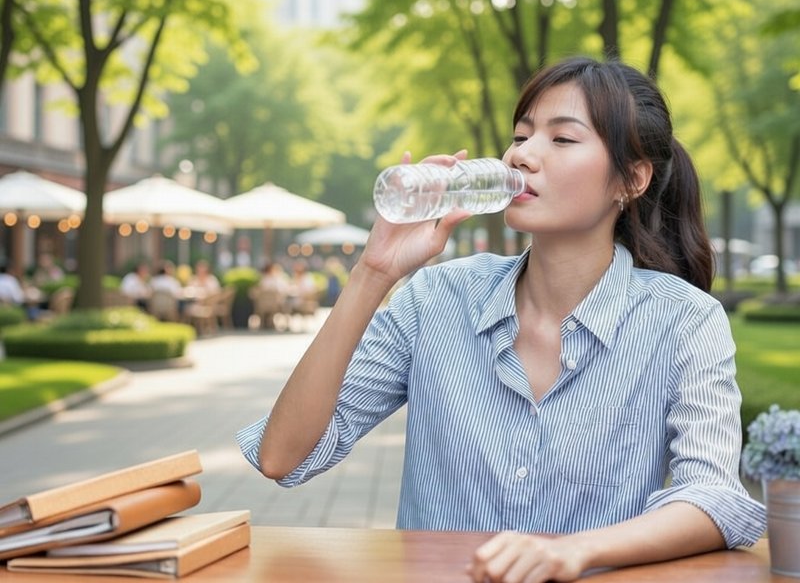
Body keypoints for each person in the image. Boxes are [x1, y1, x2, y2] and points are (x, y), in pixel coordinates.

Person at [237, 57, 766, 582]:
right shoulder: (436, 298)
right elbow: (282, 456)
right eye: (521, 134)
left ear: (630, 181)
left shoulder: (685, 322)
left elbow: (713, 497)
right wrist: (373, 273)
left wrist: (570, 553)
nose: (522, 156)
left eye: (562, 140)